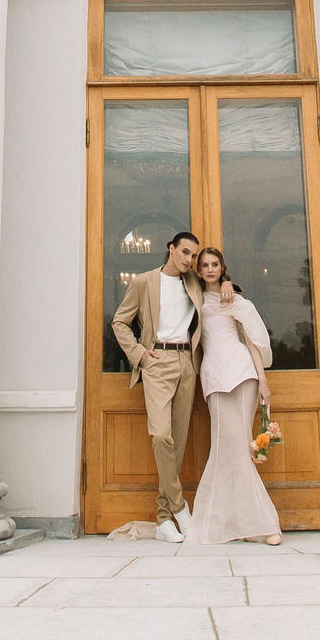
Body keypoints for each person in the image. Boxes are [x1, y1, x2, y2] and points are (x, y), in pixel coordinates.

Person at [110, 230, 202, 542]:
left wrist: (228, 284)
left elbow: (220, 283)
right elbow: (120, 322)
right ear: (171, 249)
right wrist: (138, 354)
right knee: (161, 435)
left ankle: (164, 519)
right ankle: (179, 507)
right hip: (157, 361)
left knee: (177, 439)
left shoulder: (194, 283)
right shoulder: (144, 282)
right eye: (185, 252)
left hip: (187, 363)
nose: (189, 260)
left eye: (193, 255)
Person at [187, 246, 282, 545]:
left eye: (215, 264)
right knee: (223, 448)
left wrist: (263, 381)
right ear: (199, 271)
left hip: (244, 374)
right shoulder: (194, 299)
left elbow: (251, 342)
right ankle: (229, 523)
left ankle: (266, 525)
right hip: (214, 376)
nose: (211, 269)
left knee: (242, 448)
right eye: (205, 265)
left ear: (222, 267)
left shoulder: (234, 299)